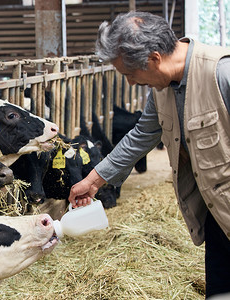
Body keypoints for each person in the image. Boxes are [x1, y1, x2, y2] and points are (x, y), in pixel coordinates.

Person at [68, 11, 230, 298]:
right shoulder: (162, 90)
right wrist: (93, 180)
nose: (131, 83)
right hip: (217, 214)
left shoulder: (222, 73)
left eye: (131, 74)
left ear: (154, 58)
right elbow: (141, 135)